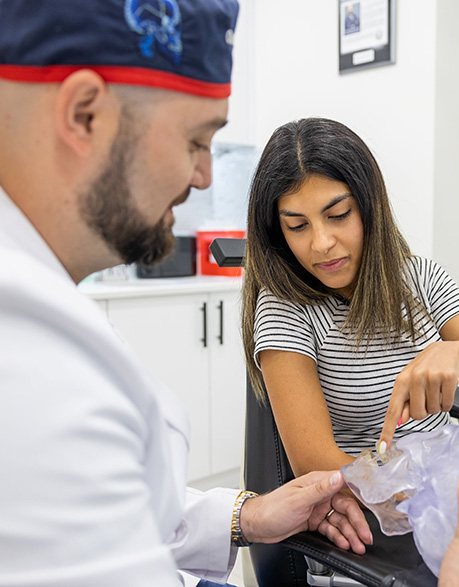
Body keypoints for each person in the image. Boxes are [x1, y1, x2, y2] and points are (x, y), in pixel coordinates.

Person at [0, 3, 373, 586]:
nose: (203, 175)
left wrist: (246, 515)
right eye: (197, 139)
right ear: (84, 114)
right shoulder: (26, 359)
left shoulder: (44, 305)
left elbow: (127, 509)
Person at [241, 116, 459, 580]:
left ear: (369, 205)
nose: (321, 243)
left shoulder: (423, 280)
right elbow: (316, 463)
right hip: (375, 518)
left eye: (338, 215)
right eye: (297, 226)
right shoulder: (285, 309)